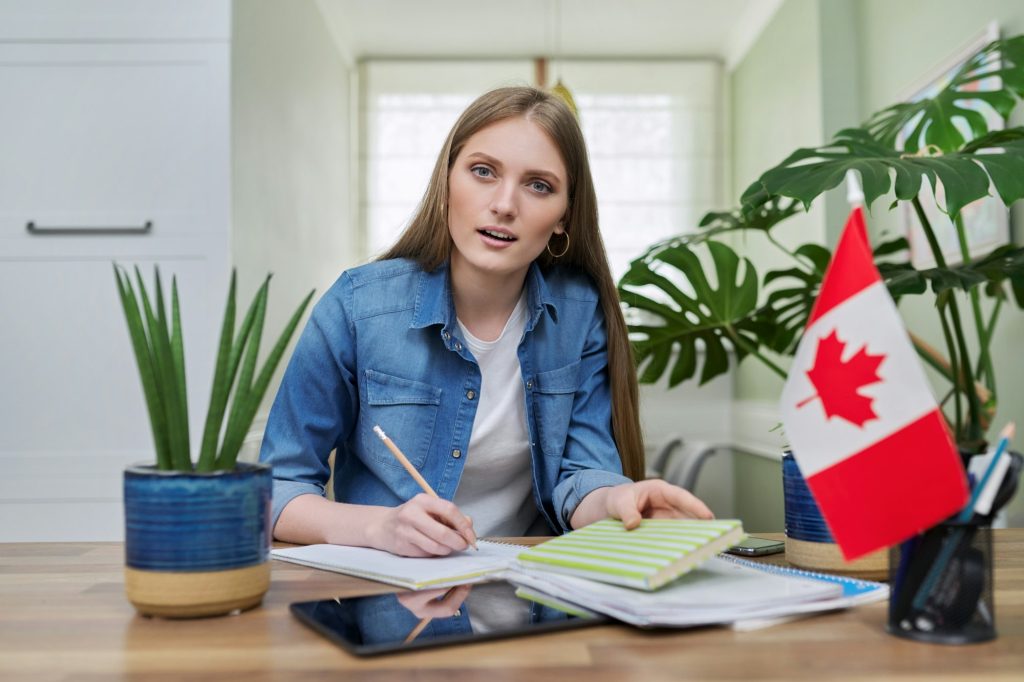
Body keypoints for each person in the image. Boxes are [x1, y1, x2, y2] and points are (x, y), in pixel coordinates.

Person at [260, 85, 712, 558]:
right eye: (482, 171)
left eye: (539, 185)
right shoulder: (357, 305)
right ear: (447, 181)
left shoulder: (580, 313)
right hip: (392, 610)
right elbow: (276, 491)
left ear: (564, 217)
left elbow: (581, 479)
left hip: (539, 601)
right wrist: (380, 527)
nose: (504, 204)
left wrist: (619, 500)